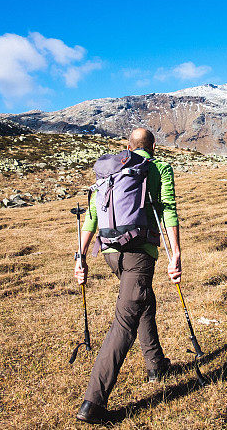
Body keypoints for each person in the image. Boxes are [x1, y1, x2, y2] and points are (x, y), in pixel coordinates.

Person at [74, 128, 183, 424]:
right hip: (138, 252)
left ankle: (156, 365)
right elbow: (168, 210)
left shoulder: (113, 172)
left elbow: (93, 216)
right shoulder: (157, 167)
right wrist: (175, 253)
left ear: (128, 146)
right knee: (125, 321)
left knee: (142, 300)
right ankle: (93, 403)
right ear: (154, 146)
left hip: (111, 253)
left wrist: (80, 256)